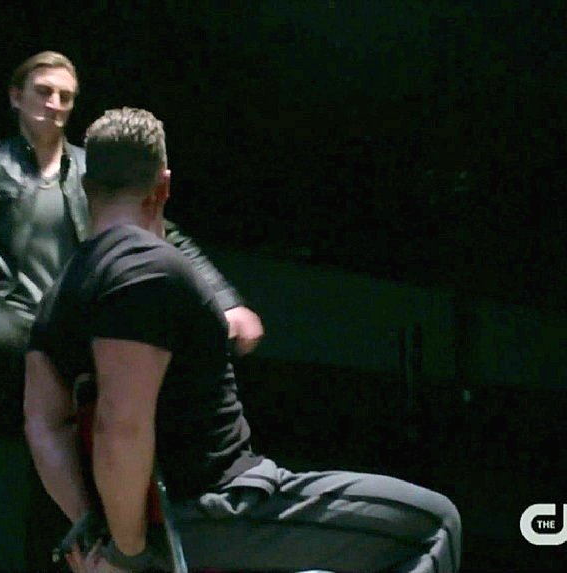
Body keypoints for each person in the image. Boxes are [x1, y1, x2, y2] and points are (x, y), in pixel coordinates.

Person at [0, 52, 264, 572]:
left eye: (66, 96)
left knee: (66, 464)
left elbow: (166, 230)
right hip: (1, 323)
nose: (55, 104)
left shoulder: (90, 172)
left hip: (62, 331)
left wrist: (227, 298)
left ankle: (85, 541)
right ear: (16, 97)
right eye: (44, 92)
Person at [25, 107, 461, 573]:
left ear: (87, 187)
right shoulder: (145, 265)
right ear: (163, 186)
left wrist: (95, 529)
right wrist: (127, 554)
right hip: (220, 506)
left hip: (177, 521)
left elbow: (45, 425)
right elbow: (121, 424)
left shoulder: (59, 293)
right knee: (435, 523)